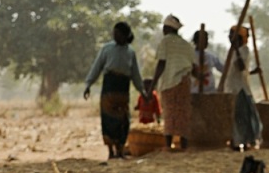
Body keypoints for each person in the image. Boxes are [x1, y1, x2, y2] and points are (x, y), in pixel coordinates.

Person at [84, 21, 147, 159]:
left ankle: (120, 150)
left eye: (118, 33)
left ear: (125, 35)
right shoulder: (106, 49)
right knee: (108, 119)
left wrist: (142, 91)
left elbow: (135, 74)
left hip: (123, 88)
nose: (115, 36)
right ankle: (111, 151)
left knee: (123, 120)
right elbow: (97, 67)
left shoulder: (130, 52)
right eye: (114, 33)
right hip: (109, 87)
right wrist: (88, 84)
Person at [150, 14, 196, 150]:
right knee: (183, 113)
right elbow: (192, 65)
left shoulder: (166, 42)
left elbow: (161, 63)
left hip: (170, 81)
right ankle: (184, 145)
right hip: (184, 81)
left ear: (167, 28)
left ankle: (168, 145)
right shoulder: (186, 44)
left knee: (170, 112)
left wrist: (152, 85)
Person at [224, 25, 262, 150]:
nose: (229, 37)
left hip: (240, 88)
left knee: (243, 117)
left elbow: (241, 67)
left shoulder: (243, 50)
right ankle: (236, 141)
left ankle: (244, 142)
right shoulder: (232, 51)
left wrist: (235, 49)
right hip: (232, 88)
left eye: (232, 35)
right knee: (235, 117)